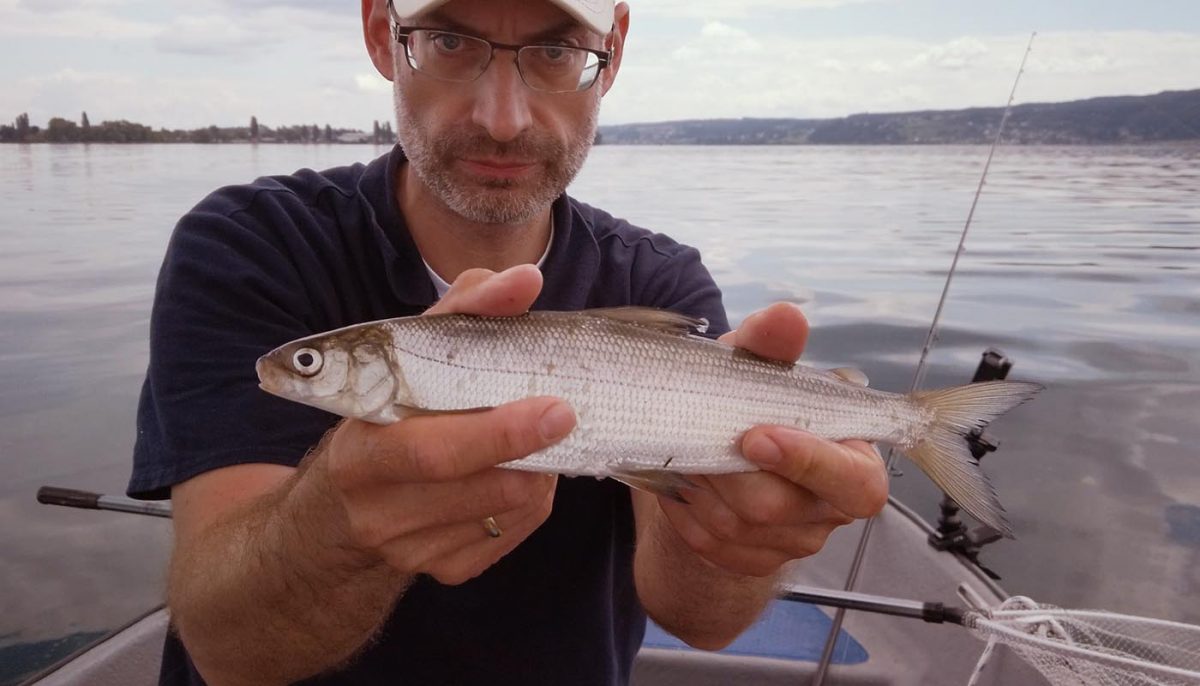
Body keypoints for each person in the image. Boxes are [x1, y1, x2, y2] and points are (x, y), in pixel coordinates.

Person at [127, 0, 889, 683]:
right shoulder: (251, 245)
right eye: (452, 40)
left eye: (556, 51)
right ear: (381, 35)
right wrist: (332, 531)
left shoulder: (661, 282)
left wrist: (741, 537)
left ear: (612, 52)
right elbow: (229, 653)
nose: (503, 118)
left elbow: (704, 620)